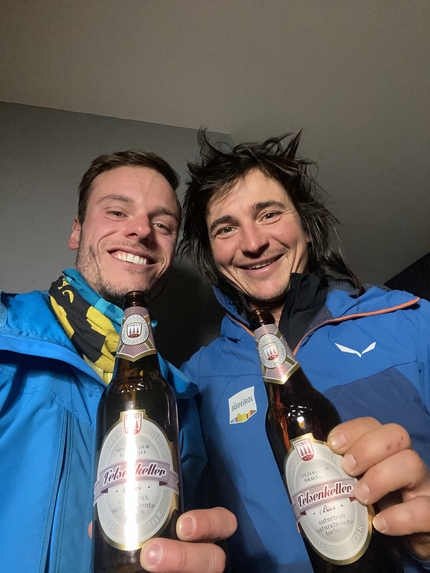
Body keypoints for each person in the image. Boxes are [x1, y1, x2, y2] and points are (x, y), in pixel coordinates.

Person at [179, 130, 430, 572]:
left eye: (269, 214)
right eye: (226, 227)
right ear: (212, 256)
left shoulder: (412, 321)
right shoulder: (193, 382)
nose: (253, 242)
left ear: (306, 229)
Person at [0, 149, 236, 573]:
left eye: (162, 224)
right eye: (116, 211)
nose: (142, 230)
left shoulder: (184, 403)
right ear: (77, 231)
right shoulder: (3, 335)